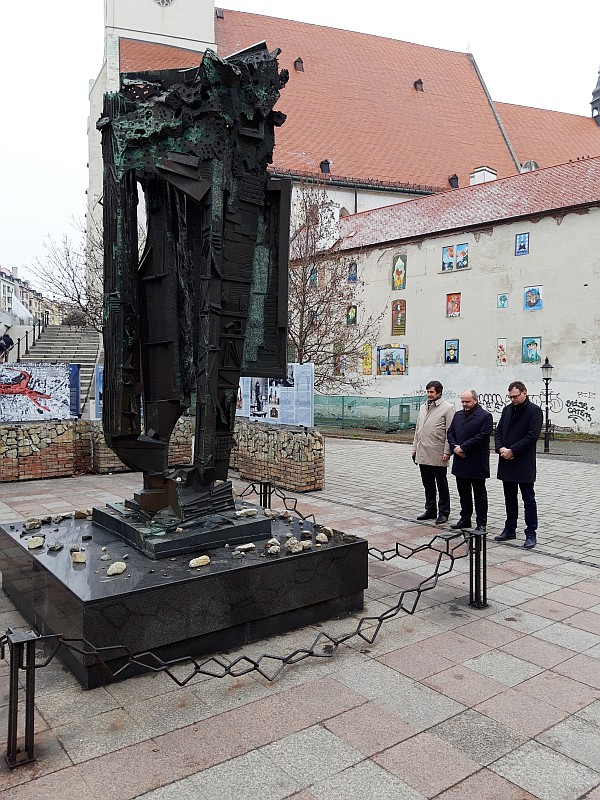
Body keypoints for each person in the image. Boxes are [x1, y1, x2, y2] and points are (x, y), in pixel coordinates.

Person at [494, 380, 543, 548]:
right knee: (509, 498)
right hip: (506, 460)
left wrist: (512, 450)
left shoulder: (534, 411)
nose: (513, 400)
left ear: (524, 393)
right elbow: (498, 431)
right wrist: (500, 448)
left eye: (515, 396)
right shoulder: (507, 409)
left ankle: (531, 533)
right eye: (510, 397)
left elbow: (532, 437)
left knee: (528, 498)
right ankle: (510, 529)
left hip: (523, 462)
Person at [447, 389, 493, 532]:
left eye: (467, 401)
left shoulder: (485, 416)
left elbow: (482, 436)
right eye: (462, 401)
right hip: (460, 460)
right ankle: (465, 518)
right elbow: (450, 432)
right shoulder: (458, 415)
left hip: (476, 461)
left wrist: (464, 448)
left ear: (475, 400)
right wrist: (455, 447)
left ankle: (481, 522)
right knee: (463, 492)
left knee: (479, 494)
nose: (464, 404)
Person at [412, 381, 455, 524]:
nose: (429, 395)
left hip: (438, 452)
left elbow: (451, 432)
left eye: (432, 392)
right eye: (428, 392)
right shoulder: (424, 407)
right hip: (423, 450)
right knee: (427, 483)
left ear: (439, 392)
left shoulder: (447, 408)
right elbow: (418, 429)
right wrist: (414, 449)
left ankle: (444, 512)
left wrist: (447, 451)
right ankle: (430, 509)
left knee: (441, 484)